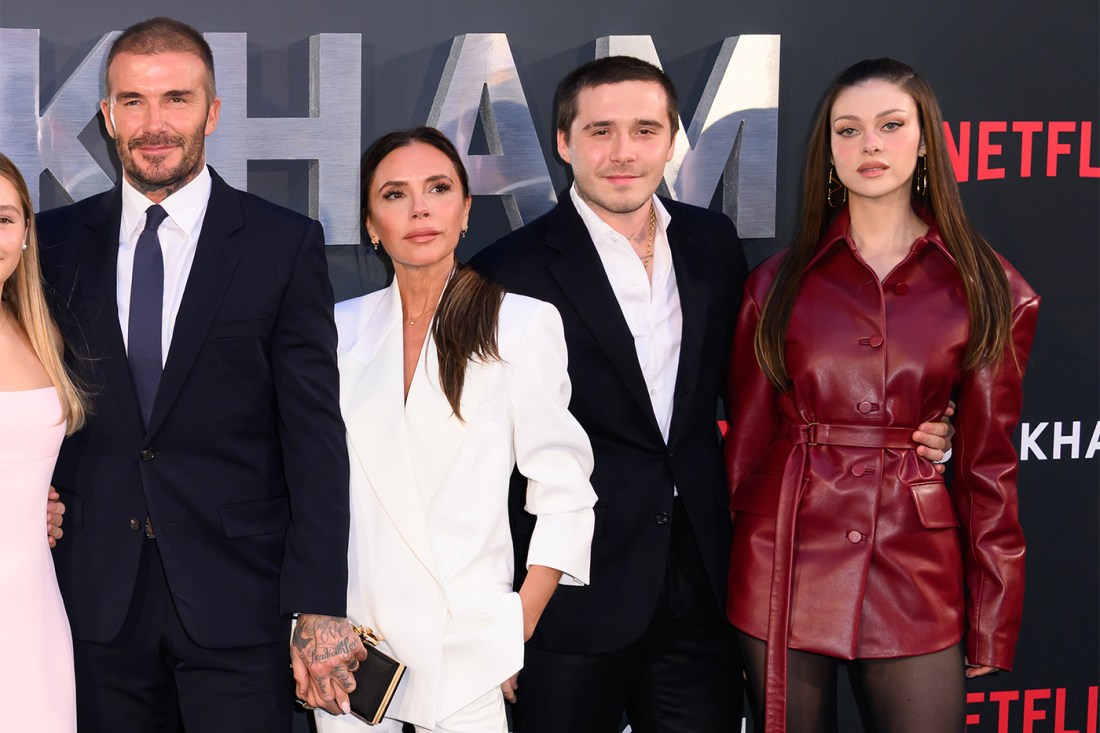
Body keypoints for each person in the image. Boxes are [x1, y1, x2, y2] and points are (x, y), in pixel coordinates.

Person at [471, 56, 954, 733]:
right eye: (600, 131)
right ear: (563, 142)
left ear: (672, 140)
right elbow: (478, 459)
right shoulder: (504, 272)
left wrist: (920, 430)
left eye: (645, 130)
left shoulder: (712, 243)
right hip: (570, 594)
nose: (623, 152)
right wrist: (498, 610)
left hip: (703, 586)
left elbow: (772, 392)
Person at [36, 17, 357, 733]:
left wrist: (320, 602)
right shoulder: (52, 246)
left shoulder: (281, 244)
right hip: (92, 597)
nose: (154, 124)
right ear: (108, 116)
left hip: (239, 599)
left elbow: (314, 436)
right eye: (133, 101)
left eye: (176, 99)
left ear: (211, 112)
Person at [725, 58, 1040, 733]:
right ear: (829, 149)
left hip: (914, 561)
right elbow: (743, 453)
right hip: (783, 558)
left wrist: (992, 614)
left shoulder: (990, 288)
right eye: (849, 130)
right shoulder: (773, 286)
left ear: (926, 142)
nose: (870, 144)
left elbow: (989, 469)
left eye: (891, 125)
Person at [307, 127, 596, 733]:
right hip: (354, 647)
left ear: (465, 211)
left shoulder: (518, 324)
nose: (419, 209)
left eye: (438, 189)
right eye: (395, 194)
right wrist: (308, 621)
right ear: (370, 224)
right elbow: (306, 490)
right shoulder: (335, 330)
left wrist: (516, 626)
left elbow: (565, 492)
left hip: (466, 644)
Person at [0, 153, 87, 732]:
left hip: (33, 611)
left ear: (27, 232)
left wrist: (37, 506)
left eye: (4, 219)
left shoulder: (40, 333)